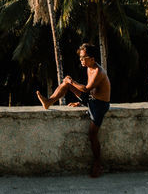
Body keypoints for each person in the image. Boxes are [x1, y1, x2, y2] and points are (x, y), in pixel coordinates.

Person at [37, 42, 111, 177]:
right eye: (80, 58)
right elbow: (90, 92)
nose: (81, 60)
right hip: (92, 100)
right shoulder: (89, 67)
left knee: (92, 134)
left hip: (100, 105)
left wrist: (72, 82)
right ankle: (49, 102)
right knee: (66, 84)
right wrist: (81, 102)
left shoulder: (98, 72)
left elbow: (86, 89)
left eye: (83, 58)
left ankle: (98, 164)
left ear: (92, 59)